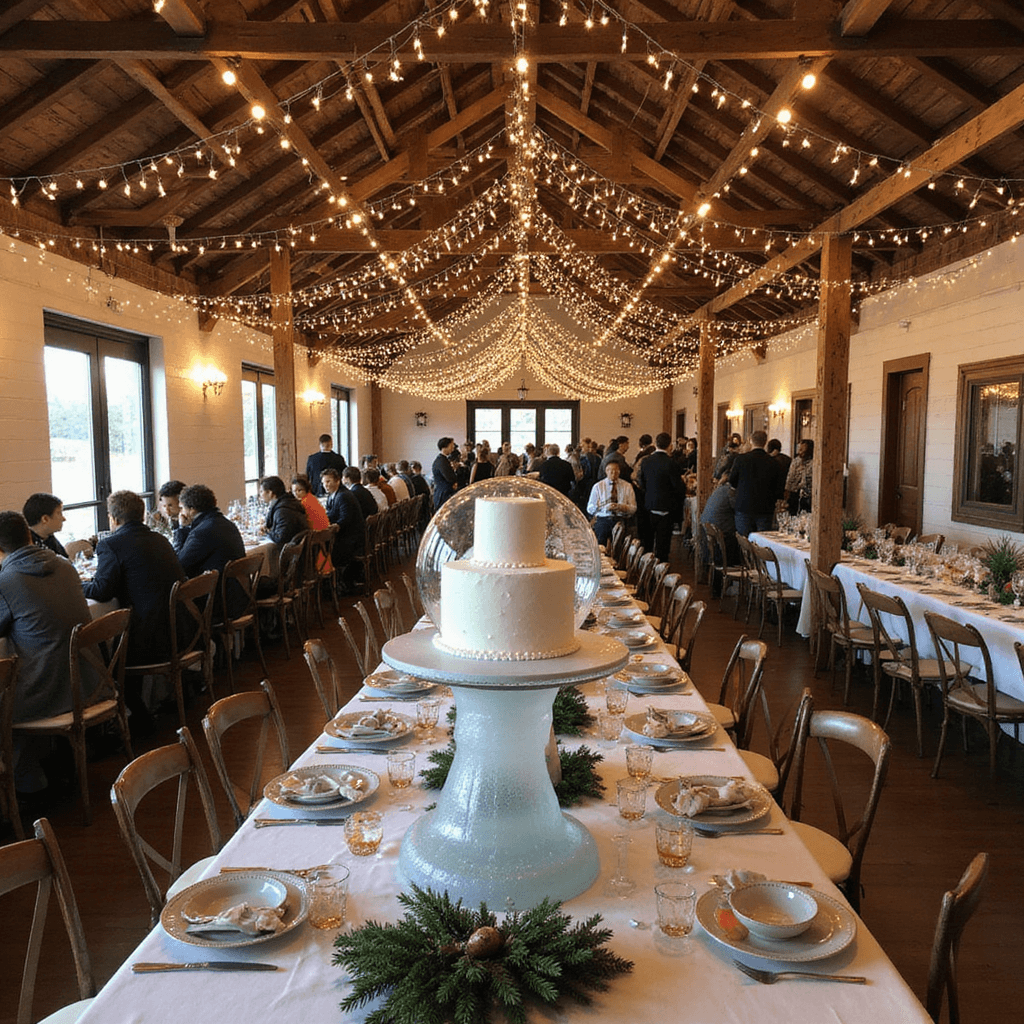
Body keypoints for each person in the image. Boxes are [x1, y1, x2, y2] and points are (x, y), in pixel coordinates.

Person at [0, 510, 93, 793]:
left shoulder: (7, 581)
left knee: (3, 701)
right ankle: (45, 769)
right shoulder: (64, 565)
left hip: (48, 690)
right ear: (29, 535)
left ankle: (26, 784)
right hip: (89, 682)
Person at [83, 489, 186, 668]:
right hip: (180, 629)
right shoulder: (160, 539)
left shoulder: (111, 544)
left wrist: (77, 585)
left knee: (98, 649)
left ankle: (120, 694)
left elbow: (102, 591)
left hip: (147, 637)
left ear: (113, 519)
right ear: (143, 516)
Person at [172, 483, 247, 616]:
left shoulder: (202, 532)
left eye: (182, 508)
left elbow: (180, 565)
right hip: (239, 594)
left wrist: (181, 529)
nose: (181, 513)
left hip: (219, 602)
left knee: (174, 606)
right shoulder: (226, 523)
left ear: (192, 510)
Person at [638, 432, 686, 561]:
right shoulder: (671, 464)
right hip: (666, 508)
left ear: (656, 444)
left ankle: (646, 569)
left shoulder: (646, 461)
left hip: (649, 506)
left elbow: (642, 483)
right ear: (669, 445)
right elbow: (678, 488)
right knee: (663, 545)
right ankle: (661, 572)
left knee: (648, 543)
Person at [729, 430, 786, 536]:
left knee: (744, 543)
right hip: (765, 508)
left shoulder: (741, 459)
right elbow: (779, 487)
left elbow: (732, 481)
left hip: (744, 505)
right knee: (762, 543)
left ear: (751, 441)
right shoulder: (774, 462)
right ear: (765, 442)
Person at [321, 467, 365, 592]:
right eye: (324, 482)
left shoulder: (343, 496)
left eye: (328, 481)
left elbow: (345, 519)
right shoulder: (333, 495)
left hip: (351, 540)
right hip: (347, 536)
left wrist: (336, 526)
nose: (326, 485)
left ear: (338, 481)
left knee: (322, 549)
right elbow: (330, 515)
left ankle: (331, 584)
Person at [587, 460, 636, 546]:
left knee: (621, 543)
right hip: (603, 518)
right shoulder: (598, 486)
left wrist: (621, 507)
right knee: (601, 539)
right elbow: (590, 508)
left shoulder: (627, 486)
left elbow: (633, 508)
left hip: (621, 518)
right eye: (611, 470)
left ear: (619, 472)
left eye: (616, 471)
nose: (614, 473)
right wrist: (602, 507)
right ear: (606, 471)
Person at [699, 470, 739, 570]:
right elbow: (738, 508)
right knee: (741, 535)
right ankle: (734, 569)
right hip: (720, 530)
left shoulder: (720, 488)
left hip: (708, 528)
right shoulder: (731, 491)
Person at [260, 476, 308, 546]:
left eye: (261, 491)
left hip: (293, 552)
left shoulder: (282, 510)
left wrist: (266, 532)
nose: (260, 495)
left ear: (270, 493)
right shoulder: (290, 502)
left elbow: (280, 539)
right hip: (301, 548)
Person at [22, 492, 69, 558]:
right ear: (45, 519)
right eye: (59, 513)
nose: (64, 519)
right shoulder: (27, 548)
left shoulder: (49, 537)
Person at [785, 439, 815, 514]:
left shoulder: (814, 463)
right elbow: (790, 477)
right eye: (799, 448)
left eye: (802, 449)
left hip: (808, 495)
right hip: (794, 494)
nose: (799, 451)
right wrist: (787, 491)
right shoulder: (796, 461)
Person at [432, 437, 457, 511]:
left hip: (444, 492)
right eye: (451, 446)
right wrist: (454, 481)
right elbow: (449, 477)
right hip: (443, 494)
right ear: (444, 447)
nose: (453, 448)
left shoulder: (443, 459)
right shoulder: (441, 461)